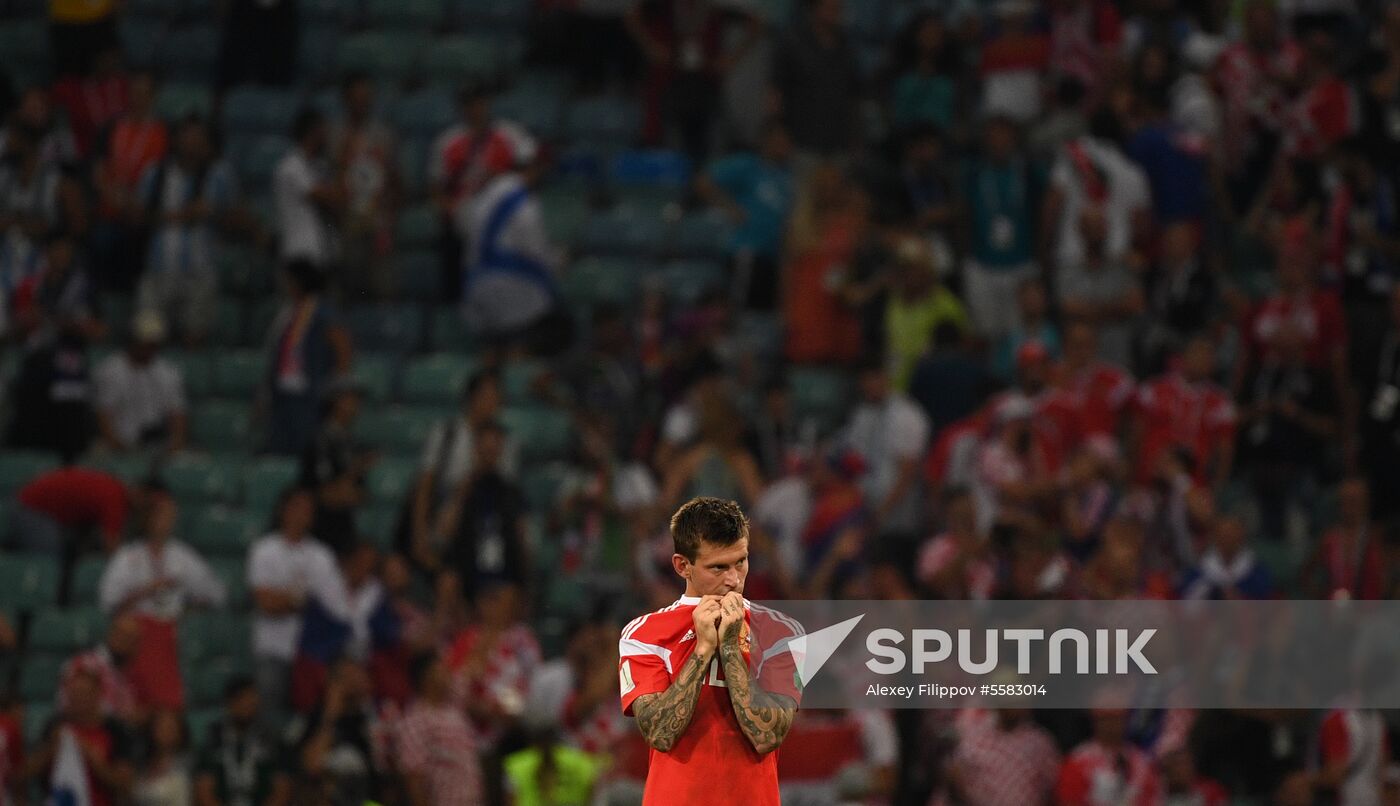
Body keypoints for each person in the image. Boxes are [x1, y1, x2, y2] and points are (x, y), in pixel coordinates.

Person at [619, 497, 800, 805]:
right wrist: (703, 649)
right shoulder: (644, 634)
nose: (734, 579)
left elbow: (767, 735)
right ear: (682, 566)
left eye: (740, 562)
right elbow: (660, 733)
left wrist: (729, 647)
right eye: (718, 567)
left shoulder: (781, 633)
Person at [98, 484, 226, 710]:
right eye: (162, 515)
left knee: (167, 702)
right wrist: (146, 590)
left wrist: (189, 606)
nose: (167, 521)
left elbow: (216, 595)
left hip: (171, 633)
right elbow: (108, 601)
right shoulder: (128, 556)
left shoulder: (182, 556)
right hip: (137, 636)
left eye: (170, 516)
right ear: (148, 518)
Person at [133, 116, 239, 345]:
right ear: (176, 139)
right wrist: (181, 215)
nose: (192, 142)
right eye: (187, 135)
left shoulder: (219, 174)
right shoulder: (155, 173)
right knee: (148, 335)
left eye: (198, 136)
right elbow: (137, 217)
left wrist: (212, 212)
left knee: (194, 338)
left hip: (200, 273)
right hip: (159, 270)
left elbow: (236, 220)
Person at [403, 369, 520, 574]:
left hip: (483, 523)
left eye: (497, 398)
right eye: (487, 396)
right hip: (441, 517)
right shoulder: (447, 433)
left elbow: (505, 491)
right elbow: (425, 485)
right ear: (471, 398)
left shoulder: (506, 442)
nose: (492, 404)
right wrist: (419, 535)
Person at [246, 487, 345, 718]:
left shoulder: (321, 555)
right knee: (270, 715)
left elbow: (334, 606)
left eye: (308, 509)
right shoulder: (264, 550)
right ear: (284, 510)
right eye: (298, 507)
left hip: (311, 651)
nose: (303, 514)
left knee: (308, 716)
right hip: (272, 649)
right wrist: (302, 600)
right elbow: (266, 603)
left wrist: (289, 599)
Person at [695, 120, 795, 311]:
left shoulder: (787, 176)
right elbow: (703, 182)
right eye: (779, 141)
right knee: (741, 308)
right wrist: (729, 207)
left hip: (774, 257)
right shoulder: (748, 165)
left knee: (764, 313)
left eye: (786, 141)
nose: (784, 146)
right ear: (766, 141)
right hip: (747, 253)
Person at [261, 260, 352, 456]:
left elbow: (342, 344)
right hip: (284, 394)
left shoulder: (321, 311)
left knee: (306, 450)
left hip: (310, 396)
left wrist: (338, 386)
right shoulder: (289, 312)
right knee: (279, 449)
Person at [330, 72, 399, 301]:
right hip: (347, 222)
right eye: (356, 98)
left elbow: (395, 178)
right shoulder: (335, 135)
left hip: (378, 221)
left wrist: (389, 213)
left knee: (382, 290)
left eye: (366, 98)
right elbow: (330, 177)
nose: (361, 103)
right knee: (349, 289)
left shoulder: (383, 135)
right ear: (346, 100)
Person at [843, 359, 931, 536]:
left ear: (885, 378)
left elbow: (908, 471)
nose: (869, 385)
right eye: (865, 381)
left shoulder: (906, 414)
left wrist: (882, 512)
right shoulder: (862, 414)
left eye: (874, 379)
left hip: (898, 516)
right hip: (863, 508)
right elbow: (851, 457)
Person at [27, 666, 135, 806]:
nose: (77, 699)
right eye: (73, 693)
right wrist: (51, 750)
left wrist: (92, 758)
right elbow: (23, 774)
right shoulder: (55, 726)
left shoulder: (115, 730)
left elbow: (125, 784)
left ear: (98, 694)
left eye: (83, 693)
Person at [299, 378, 376, 557]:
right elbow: (325, 495)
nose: (355, 404)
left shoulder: (352, 442)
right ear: (335, 400)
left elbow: (361, 495)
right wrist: (355, 470)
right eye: (349, 398)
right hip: (320, 530)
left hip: (345, 530)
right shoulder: (321, 440)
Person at [93, 310, 188, 454]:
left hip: (159, 445)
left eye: (153, 345)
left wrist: (174, 445)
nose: (148, 349)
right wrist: (118, 447)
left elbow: (177, 414)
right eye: (144, 343)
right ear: (133, 340)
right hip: (118, 444)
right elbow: (103, 415)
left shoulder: (169, 372)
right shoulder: (110, 370)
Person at [395, 655, 483, 806]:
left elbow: (473, 668)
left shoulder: (453, 708)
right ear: (427, 678)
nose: (449, 674)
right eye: (442, 670)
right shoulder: (415, 721)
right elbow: (414, 779)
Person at [192, 676, 292, 806]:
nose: (248, 705)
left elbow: (282, 791)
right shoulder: (213, 739)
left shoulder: (273, 740)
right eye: (242, 699)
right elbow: (204, 791)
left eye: (252, 700)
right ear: (230, 703)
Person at [274, 109, 342, 272]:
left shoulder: (320, 166)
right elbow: (322, 196)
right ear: (313, 132)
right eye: (323, 131)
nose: (327, 137)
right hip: (300, 252)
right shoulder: (291, 166)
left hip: (321, 253)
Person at [134, 709, 192, 806]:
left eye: (169, 727)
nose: (164, 732)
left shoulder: (186, 765)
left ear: (179, 732)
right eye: (160, 726)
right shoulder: (142, 764)